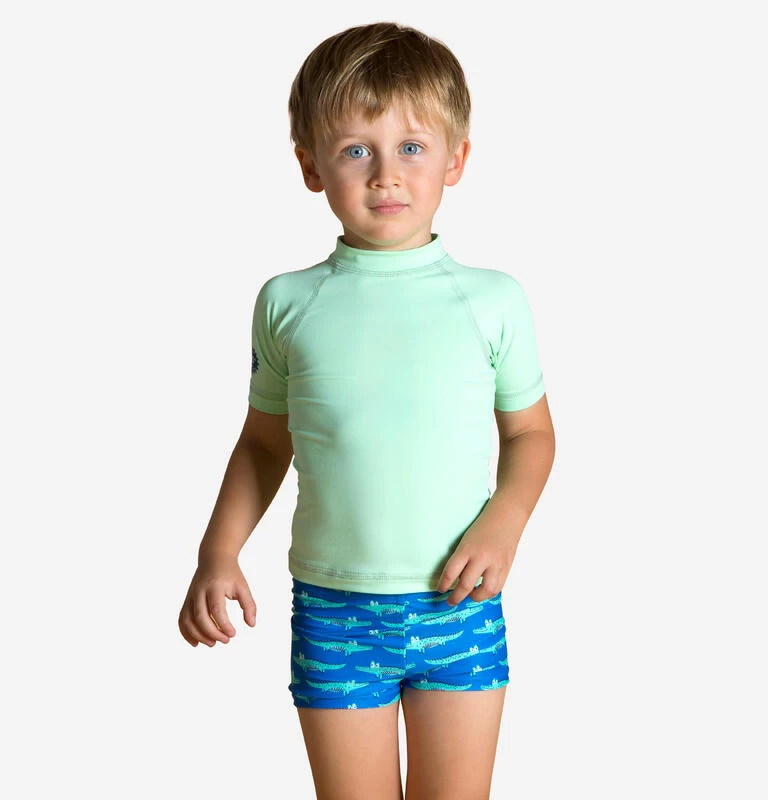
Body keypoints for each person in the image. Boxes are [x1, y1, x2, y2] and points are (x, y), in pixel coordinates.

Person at [178, 20, 556, 800]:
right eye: (356, 150)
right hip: (335, 611)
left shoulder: (493, 301)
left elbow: (531, 434)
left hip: (459, 604)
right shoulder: (288, 302)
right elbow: (262, 444)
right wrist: (218, 552)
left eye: (411, 147)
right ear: (311, 166)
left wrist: (505, 522)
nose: (386, 175)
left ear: (456, 159)